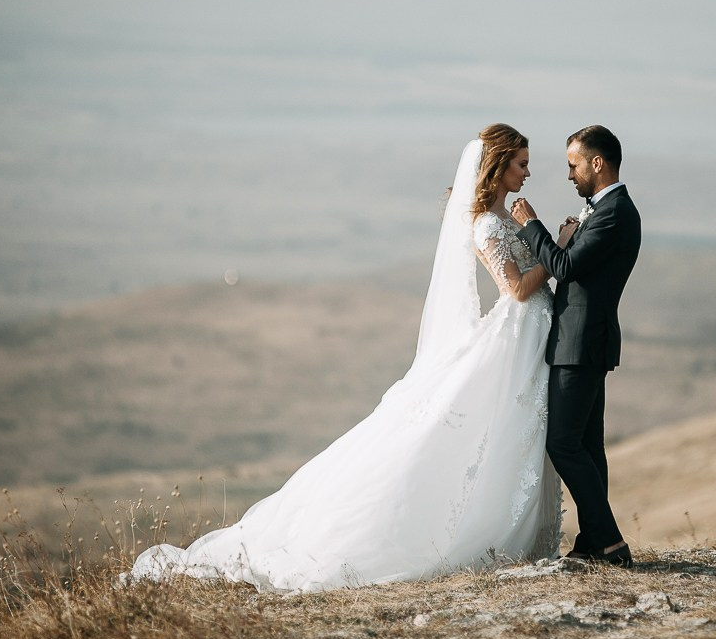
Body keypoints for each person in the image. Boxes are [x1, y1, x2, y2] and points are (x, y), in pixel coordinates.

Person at [128, 124, 566, 593]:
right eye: (521, 163)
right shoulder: (485, 224)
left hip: (528, 339)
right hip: (513, 337)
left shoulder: (512, 219)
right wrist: (553, 244)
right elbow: (516, 289)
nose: (528, 172)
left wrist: (533, 231)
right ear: (498, 167)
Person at [511, 125, 641, 567]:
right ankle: (591, 543)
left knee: (564, 444)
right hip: (582, 341)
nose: (570, 175)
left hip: (580, 343)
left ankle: (609, 543)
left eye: (573, 164)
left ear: (597, 163)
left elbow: (564, 266)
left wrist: (532, 226)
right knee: (587, 446)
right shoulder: (604, 210)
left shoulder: (615, 212)